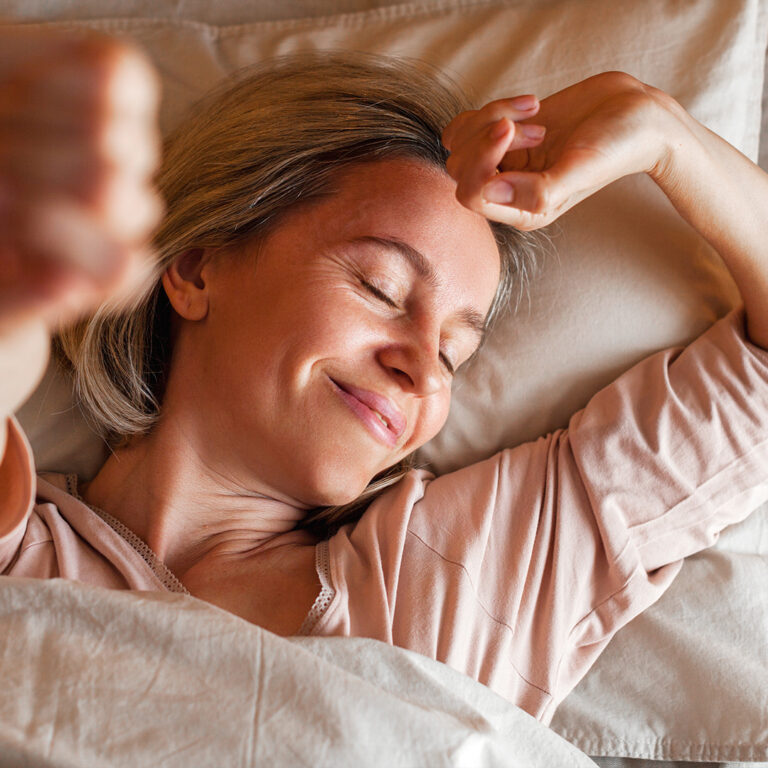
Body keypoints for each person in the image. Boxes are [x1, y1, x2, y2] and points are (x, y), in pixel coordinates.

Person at [1, 30, 767, 724]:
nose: (423, 368)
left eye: (455, 355)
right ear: (198, 268)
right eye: (380, 288)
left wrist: (669, 135)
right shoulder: (21, 554)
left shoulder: (469, 568)